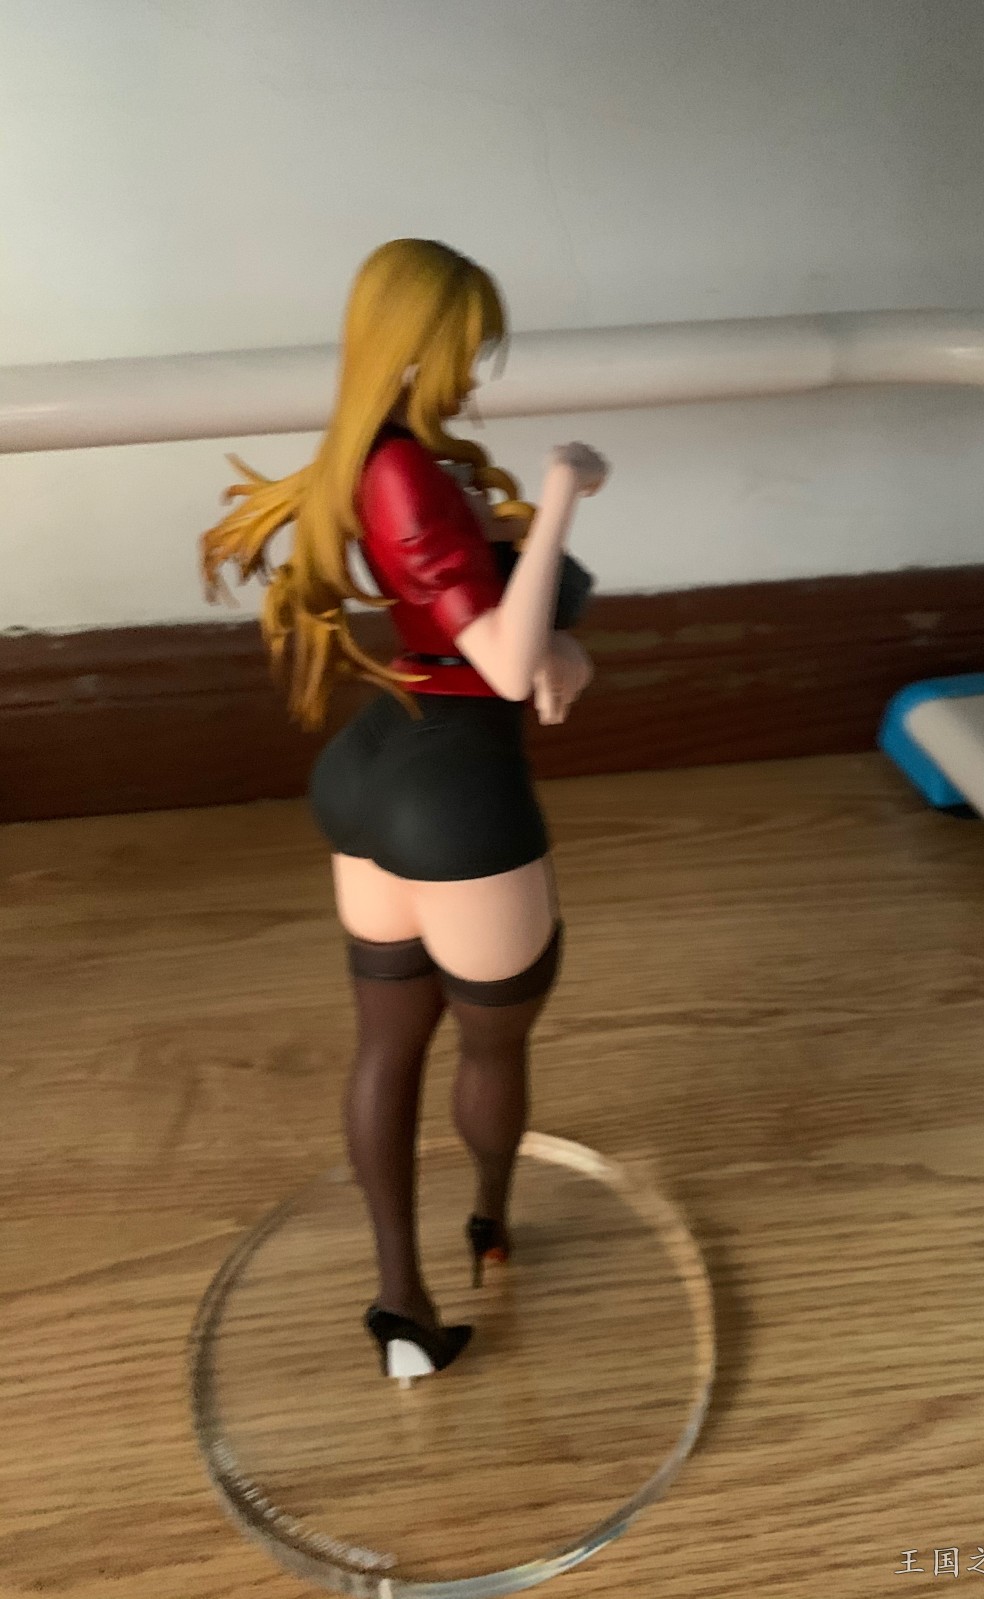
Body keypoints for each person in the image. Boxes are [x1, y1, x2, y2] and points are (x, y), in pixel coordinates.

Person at [201, 238, 608, 1383]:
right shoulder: (407, 472)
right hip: (453, 786)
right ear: (416, 344)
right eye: (460, 347)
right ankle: (490, 1219)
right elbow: (501, 650)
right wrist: (564, 494)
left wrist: (554, 634)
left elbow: (468, 613)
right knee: (493, 1036)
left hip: (378, 759)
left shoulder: (381, 455)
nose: (471, 370)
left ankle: (401, 1306)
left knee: (388, 1040)